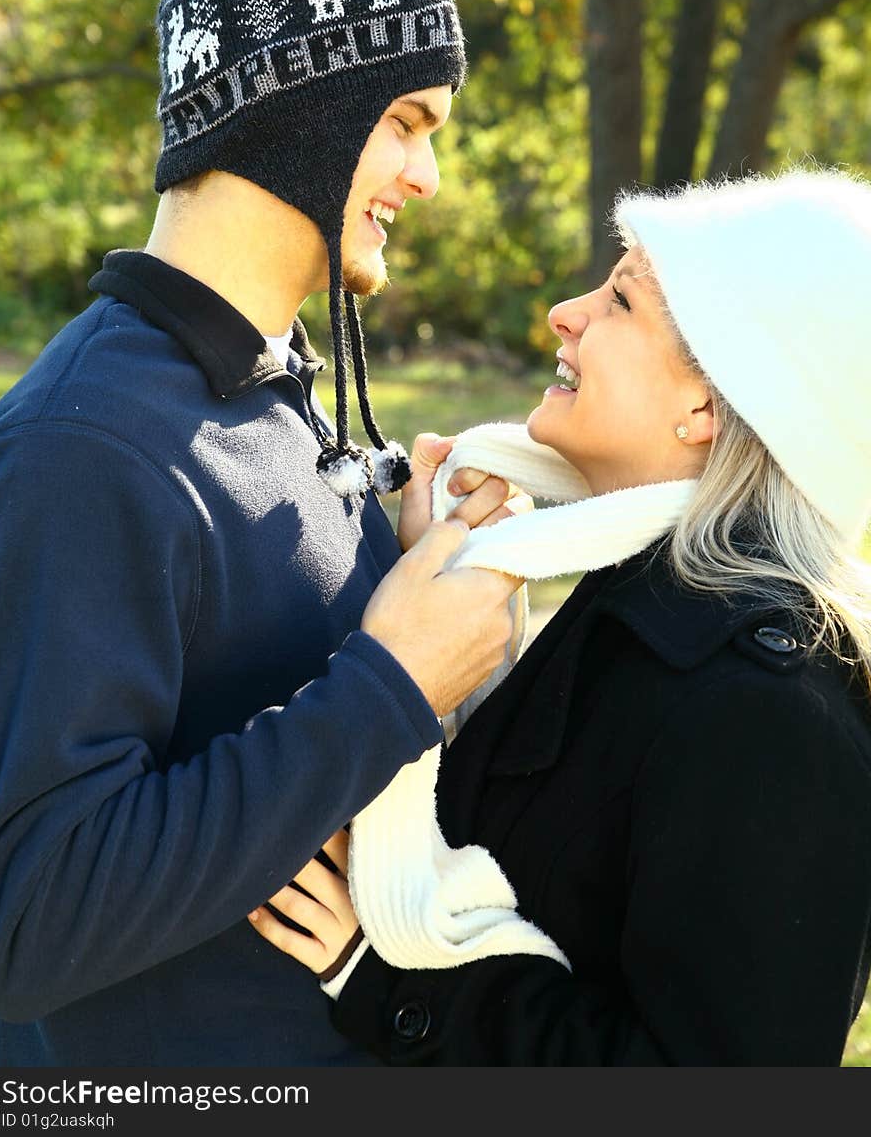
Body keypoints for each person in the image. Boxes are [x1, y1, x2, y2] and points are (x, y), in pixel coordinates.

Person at [0, 0, 525, 1066]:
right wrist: (393, 681)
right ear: (302, 116)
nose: (426, 178)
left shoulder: (263, 391)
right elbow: (29, 915)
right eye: (405, 122)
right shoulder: (87, 447)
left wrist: (394, 554)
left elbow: (248, 686)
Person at [249, 167, 871, 1066]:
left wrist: (389, 981)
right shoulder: (640, 597)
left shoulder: (769, 714)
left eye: (621, 300)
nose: (566, 313)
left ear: (708, 403)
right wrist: (444, 565)